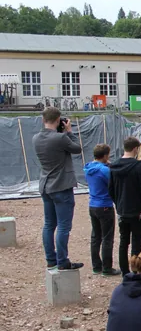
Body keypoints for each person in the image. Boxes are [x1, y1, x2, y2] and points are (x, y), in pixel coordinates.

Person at [33, 107, 83, 270]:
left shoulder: (36, 138)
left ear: (43, 120)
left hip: (45, 185)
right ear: (58, 120)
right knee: (63, 226)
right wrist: (69, 131)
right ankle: (63, 261)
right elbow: (77, 148)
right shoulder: (60, 138)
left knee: (49, 224)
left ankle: (51, 259)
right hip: (61, 185)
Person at [109, 137, 141, 276]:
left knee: (123, 241)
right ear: (135, 149)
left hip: (122, 210)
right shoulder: (139, 167)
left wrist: (118, 205)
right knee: (136, 242)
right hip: (138, 211)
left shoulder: (113, 166)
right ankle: (135, 270)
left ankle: (125, 271)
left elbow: (111, 190)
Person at [85, 144, 120, 276]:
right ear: (105, 156)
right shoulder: (105, 170)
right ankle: (107, 267)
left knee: (95, 236)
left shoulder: (88, 168)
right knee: (107, 238)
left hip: (93, 204)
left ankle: (96, 266)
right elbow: (113, 181)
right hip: (105, 205)